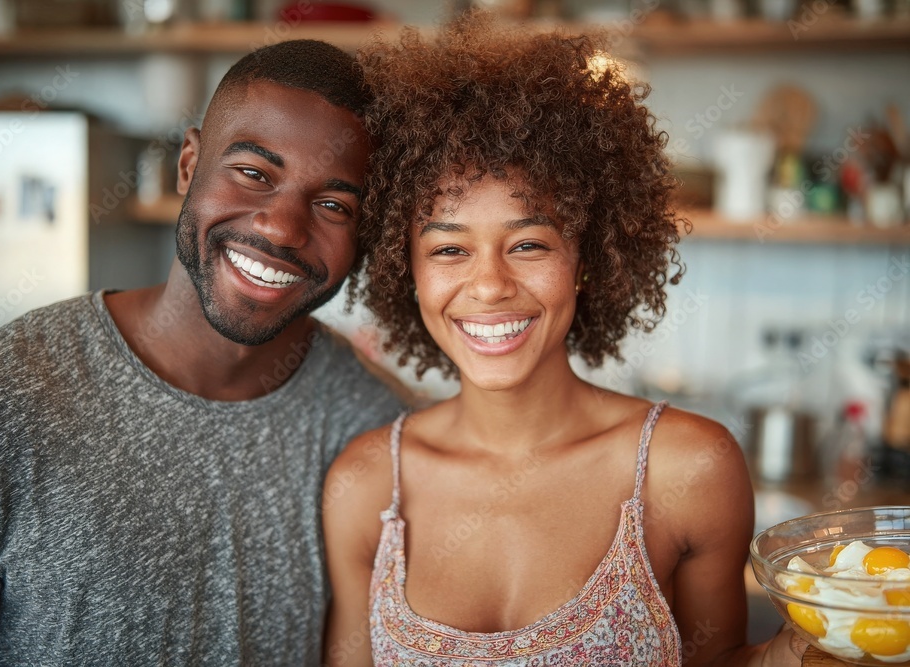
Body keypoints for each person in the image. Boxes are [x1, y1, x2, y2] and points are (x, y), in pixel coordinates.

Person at [323, 14, 805, 666]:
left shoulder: (687, 469)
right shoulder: (366, 486)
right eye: (449, 247)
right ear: (402, 265)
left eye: (528, 243)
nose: (489, 285)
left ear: (585, 256)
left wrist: (798, 650)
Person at [0, 40, 404, 666]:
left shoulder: (375, 428)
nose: (282, 227)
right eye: (254, 173)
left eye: (334, 204)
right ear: (188, 164)